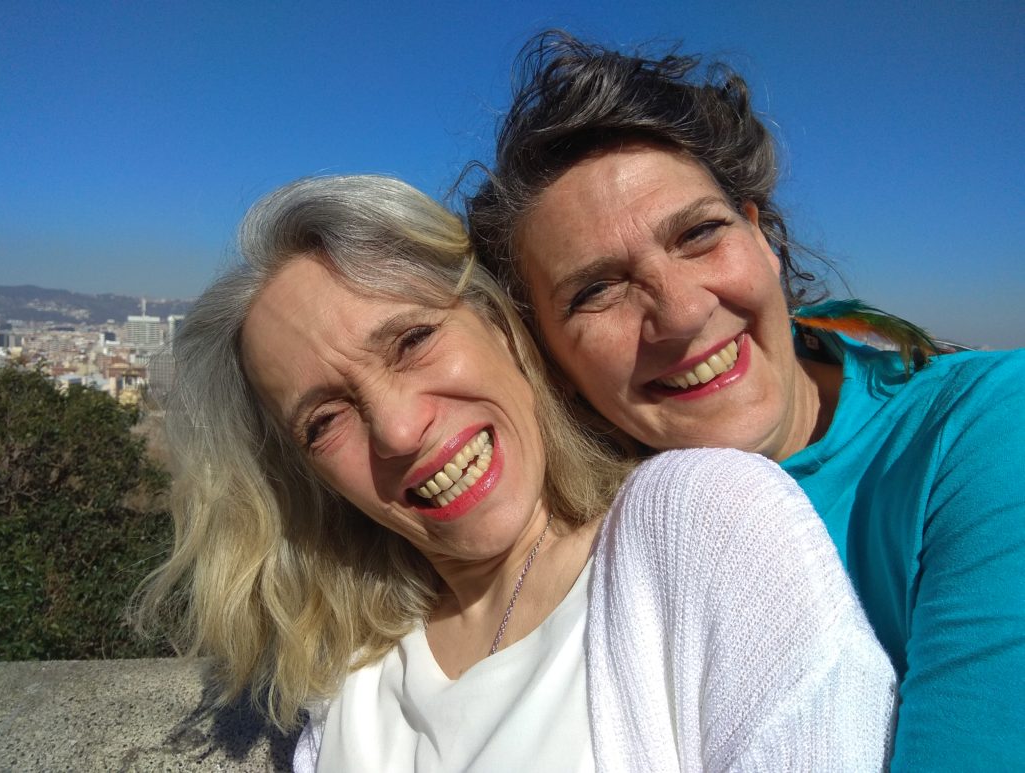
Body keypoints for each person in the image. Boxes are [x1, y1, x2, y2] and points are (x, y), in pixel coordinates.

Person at [137, 174, 896, 771]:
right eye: (324, 419)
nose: (398, 429)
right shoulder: (347, 680)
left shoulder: (701, 524)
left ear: (501, 326)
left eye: (411, 342)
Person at [466, 31, 1025, 769]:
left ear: (765, 240)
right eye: (596, 289)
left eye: (699, 233)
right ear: (552, 362)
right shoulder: (569, 543)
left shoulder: (982, 430)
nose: (681, 312)